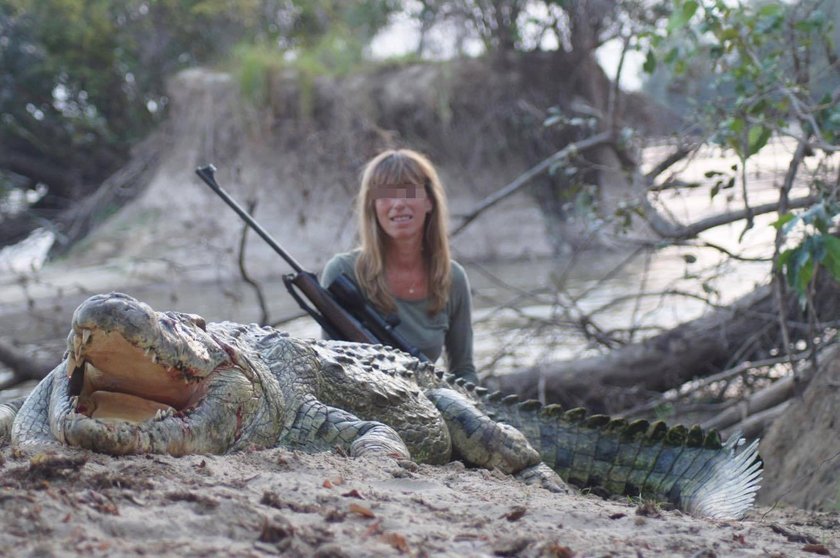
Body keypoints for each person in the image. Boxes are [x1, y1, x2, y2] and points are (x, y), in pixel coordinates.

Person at [321, 148, 478, 384]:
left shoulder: (452, 278)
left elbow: (464, 370)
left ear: (429, 201)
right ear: (372, 206)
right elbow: (330, 370)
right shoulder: (342, 274)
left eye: (409, 192)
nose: (398, 204)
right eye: (385, 195)